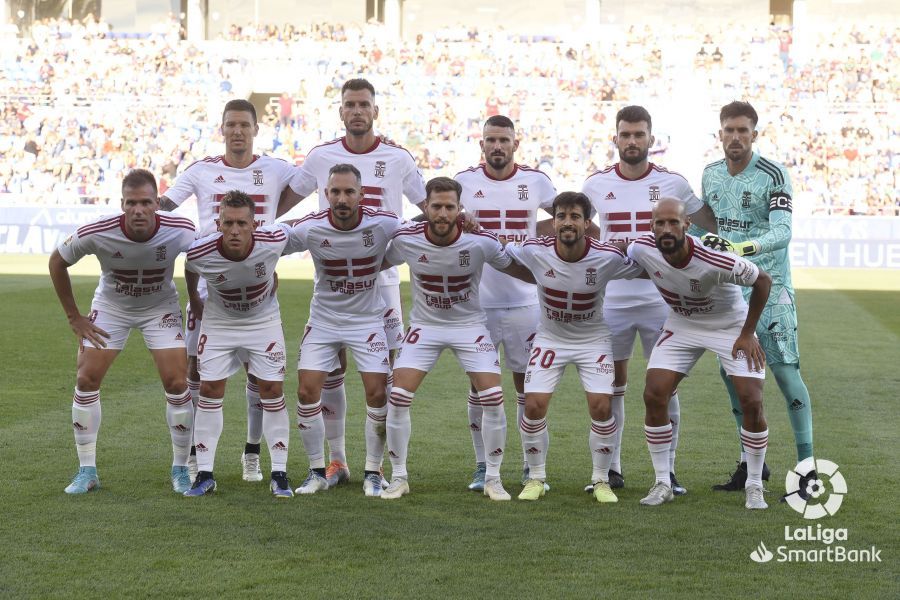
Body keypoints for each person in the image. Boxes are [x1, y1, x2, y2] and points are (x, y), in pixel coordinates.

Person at [279, 78, 427, 489]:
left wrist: (395, 241)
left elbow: (429, 208)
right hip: (332, 278)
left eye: (364, 104)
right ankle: (336, 462)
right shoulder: (322, 156)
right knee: (329, 375)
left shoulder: (398, 157)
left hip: (382, 281)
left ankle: (380, 468)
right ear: (340, 111)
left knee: (384, 383)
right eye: (350, 104)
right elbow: (285, 205)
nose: (357, 110)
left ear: (375, 111)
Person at [581, 105, 719, 495]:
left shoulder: (673, 183)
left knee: (665, 387)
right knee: (613, 385)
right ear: (616, 139)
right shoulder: (595, 184)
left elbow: (708, 223)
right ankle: (612, 469)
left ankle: (668, 473)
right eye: (625, 134)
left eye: (639, 135)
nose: (632, 141)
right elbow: (578, 224)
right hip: (612, 300)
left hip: (663, 299)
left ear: (650, 140)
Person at [160, 98, 296, 484]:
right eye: (231, 125)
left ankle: (252, 453)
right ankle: (191, 457)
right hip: (207, 286)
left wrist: (269, 219)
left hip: (256, 283)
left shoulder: (274, 168)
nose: (238, 131)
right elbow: (166, 204)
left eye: (244, 125)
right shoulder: (202, 170)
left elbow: (305, 185)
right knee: (196, 375)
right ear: (222, 129)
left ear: (255, 130)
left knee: (261, 376)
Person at [379, 177, 535, 501]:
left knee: (492, 396)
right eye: (436, 206)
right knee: (397, 396)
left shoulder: (480, 242)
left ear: (459, 209)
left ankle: (493, 478)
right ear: (426, 207)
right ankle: (399, 477)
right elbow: (376, 262)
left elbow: (516, 268)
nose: (443, 213)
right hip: (425, 326)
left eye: (450, 207)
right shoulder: (406, 238)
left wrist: (555, 280)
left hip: (469, 326)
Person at [49, 169, 196, 494]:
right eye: (132, 203)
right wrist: (74, 317)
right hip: (112, 307)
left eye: (146, 202)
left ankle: (181, 468)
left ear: (158, 203)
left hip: (159, 307)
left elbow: (200, 260)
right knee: (86, 378)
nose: (139, 210)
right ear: (122, 204)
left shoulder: (181, 229)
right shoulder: (99, 230)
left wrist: (197, 301)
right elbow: (57, 261)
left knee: (176, 381)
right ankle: (86, 470)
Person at [700, 101, 814, 498]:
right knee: (733, 377)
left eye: (742, 130)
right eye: (728, 130)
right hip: (730, 292)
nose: (735, 137)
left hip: (773, 288)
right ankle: (753, 466)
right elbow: (710, 229)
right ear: (720, 134)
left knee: (784, 373)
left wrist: (740, 249)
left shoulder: (774, 174)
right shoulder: (711, 174)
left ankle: (807, 473)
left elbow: (782, 232)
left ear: (754, 134)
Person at [627, 198, 772, 509]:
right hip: (682, 323)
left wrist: (747, 333)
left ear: (687, 225)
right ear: (651, 227)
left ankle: (755, 485)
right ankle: (663, 481)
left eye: (673, 222)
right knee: (654, 394)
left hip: (729, 325)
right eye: (659, 223)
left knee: (752, 399)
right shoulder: (641, 248)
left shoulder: (713, 258)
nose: (666, 229)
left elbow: (763, 280)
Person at [505, 192, 644, 503]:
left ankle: (601, 480)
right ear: (553, 222)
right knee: (533, 405)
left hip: (592, 339)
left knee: (601, 407)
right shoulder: (533, 249)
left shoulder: (606, 256)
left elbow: (644, 267)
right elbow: (500, 254)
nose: (567, 222)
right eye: (561, 216)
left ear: (587, 223)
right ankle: (536, 477)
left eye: (575, 217)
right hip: (550, 338)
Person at [453, 115, 557, 492]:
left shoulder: (536, 181)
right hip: (477, 304)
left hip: (525, 301)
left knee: (528, 387)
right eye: (490, 140)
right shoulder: (464, 182)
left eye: (504, 140)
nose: (497, 146)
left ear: (517, 143)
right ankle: (483, 466)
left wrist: (537, 235)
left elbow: (563, 219)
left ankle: (533, 468)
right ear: (481, 144)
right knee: (479, 388)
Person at [284, 163, 400, 497]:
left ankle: (374, 471)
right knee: (307, 391)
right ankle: (320, 470)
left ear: (361, 195)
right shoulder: (311, 227)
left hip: (367, 322)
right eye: (335, 191)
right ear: (326, 195)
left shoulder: (383, 222)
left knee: (378, 393)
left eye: (349, 191)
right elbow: (269, 243)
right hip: (323, 320)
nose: (342, 198)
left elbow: (418, 234)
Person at [182, 191, 294, 498]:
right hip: (220, 321)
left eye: (241, 223)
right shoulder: (200, 251)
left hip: (263, 321)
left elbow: (307, 231)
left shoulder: (274, 241)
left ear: (254, 224)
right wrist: (194, 299)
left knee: (272, 390)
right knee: (209, 389)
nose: (234, 230)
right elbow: (190, 269)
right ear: (218, 223)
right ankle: (204, 474)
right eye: (228, 223)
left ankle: (280, 474)